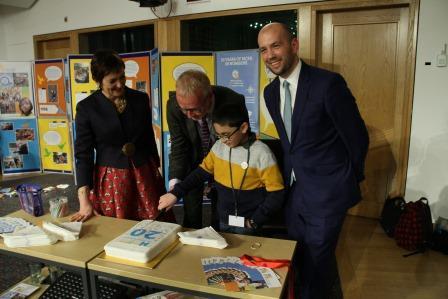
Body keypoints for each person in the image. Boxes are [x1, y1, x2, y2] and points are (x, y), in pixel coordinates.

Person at [258, 23, 369, 299]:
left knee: (318, 260)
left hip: (328, 192)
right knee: (299, 253)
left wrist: (346, 180)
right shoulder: (270, 93)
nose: (269, 54)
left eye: (276, 45)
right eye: (263, 49)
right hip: (296, 192)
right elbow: (291, 144)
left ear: (293, 45)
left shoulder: (327, 84)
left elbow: (357, 137)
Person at [71, 49, 174, 223]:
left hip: (144, 171)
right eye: (112, 81)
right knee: (117, 227)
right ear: (99, 81)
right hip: (111, 178)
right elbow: (83, 154)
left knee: (155, 223)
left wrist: (156, 169)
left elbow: (148, 137)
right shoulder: (87, 108)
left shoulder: (140, 99)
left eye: (122, 77)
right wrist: (84, 199)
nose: (120, 84)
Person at [159, 102, 285, 235]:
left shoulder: (262, 154)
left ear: (243, 127)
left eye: (226, 135)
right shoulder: (219, 147)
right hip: (222, 220)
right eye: (219, 135)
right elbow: (199, 174)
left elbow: (277, 193)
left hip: (249, 224)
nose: (223, 140)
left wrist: (256, 220)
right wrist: (176, 193)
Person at [167, 70, 246, 229]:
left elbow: (239, 142)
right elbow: (179, 145)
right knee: (191, 216)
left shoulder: (233, 101)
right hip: (193, 162)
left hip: (223, 161)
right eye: (184, 110)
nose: (189, 115)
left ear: (209, 97)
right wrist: (175, 183)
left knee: (221, 215)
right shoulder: (174, 106)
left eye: (194, 109)